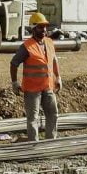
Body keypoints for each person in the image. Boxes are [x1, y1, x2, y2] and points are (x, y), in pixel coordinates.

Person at [8, 10, 59, 141]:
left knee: (53, 114)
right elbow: (14, 63)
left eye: (45, 27)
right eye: (40, 27)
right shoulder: (26, 47)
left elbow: (54, 60)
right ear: (33, 28)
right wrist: (15, 82)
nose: (44, 29)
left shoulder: (49, 42)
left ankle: (50, 142)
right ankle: (33, 145)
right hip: (32, 90)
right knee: (33, 118)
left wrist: (58, 77)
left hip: (48, 86)